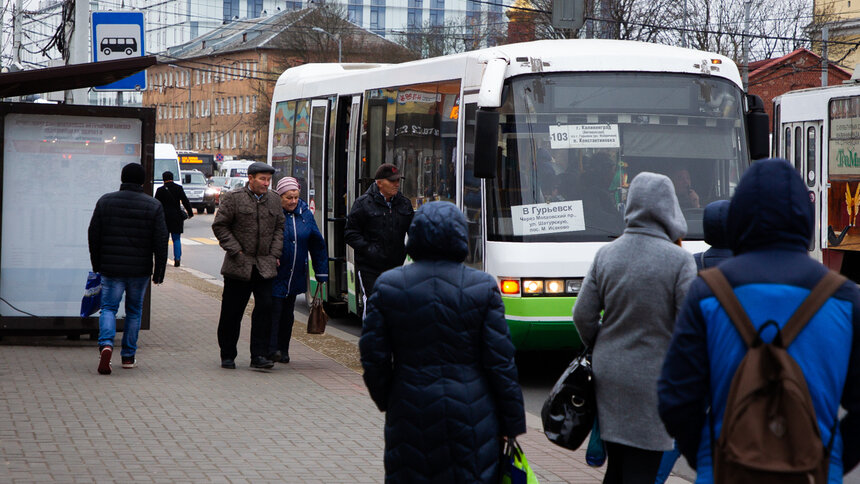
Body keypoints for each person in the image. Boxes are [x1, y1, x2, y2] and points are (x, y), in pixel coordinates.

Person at [658, 159, 860, 482]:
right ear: (805, 219)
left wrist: (709, 457)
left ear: (738, 218)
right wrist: (831, 456)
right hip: (815, 471)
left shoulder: (707, 293)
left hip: (726, 470)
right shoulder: (844, 299)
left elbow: (675, 397)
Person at [359, 201, 526, 483]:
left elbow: (373, 355)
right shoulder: (482, 287)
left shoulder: (389, 285)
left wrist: (389, 397)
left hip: (409, 405)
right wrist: (511, 422)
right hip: (472, 409)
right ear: (460, 235)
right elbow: (500, 361)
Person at [573, 172, 696, 484]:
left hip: (609, 375)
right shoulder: (680, 261)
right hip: (656, 379)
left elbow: (582, 315)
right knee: (643, 468)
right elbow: (690, 328)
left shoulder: (607, 254)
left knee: (618, 466)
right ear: (670, 208)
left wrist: (603, 343)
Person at [654, 199, 733, 484]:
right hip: (732, 369)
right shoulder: (749, 269)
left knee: (676, 435)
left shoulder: (689, 262)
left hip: (692, 366)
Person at [88, 162, 168, 375]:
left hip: (111, 268)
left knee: (108, 308)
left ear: (122, 178)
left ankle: (106, 344)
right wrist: (159, 271)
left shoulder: (106, 201)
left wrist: (97, 264)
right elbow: (161, 240)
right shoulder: (153, 205)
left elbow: (93, 234)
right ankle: (128, 357)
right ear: (142, 181)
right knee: (134, 312)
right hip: (139, 270)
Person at [212, 162, 285, 370]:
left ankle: (259, 355)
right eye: (262, 179)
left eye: (268, 180)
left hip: (265, 265)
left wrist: (274, 253)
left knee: (265, 309)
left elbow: (280, 227)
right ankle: (228, 354)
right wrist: (236, 250)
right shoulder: (234, 198)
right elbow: (220, 226)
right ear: (250, 178)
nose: (266, 183)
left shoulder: (274, 200)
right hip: (239, 265)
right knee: (232, 312)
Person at [269, 176, 328, 364]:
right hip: (275, 274)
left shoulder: (305, 214)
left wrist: (321, 272)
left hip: (295, 274)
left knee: (288, 315)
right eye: (288, 197)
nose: (293, 201)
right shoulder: (273, 213)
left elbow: (317, 244)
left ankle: (283, 349)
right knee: (274, 312)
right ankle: (271, 350)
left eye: (295, 197)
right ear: (280, 197)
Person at [344, 163, 414, 313]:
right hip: (370, 268)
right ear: (379, 182)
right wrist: (369, 249)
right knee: (375, 306)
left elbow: (415, 231)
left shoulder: (404, 204)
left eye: (398, 180)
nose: (397, 184)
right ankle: (372, 334)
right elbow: (350, 233)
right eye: (392, 181)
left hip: (396, 267)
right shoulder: (362, 204)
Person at [154, 170, 193, 267]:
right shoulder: (178, 188)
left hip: (164, 217)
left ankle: (164, 259)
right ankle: (177, 259)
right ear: (172, 178)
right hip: (176, 217)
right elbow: (185, 201)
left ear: (163, 179)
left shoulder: (160, 190)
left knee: (164, 240)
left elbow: (156, 204)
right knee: (176, 239)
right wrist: (190, 212)